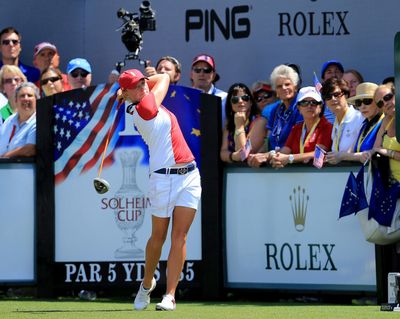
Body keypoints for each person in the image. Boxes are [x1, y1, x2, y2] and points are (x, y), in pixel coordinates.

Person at [117, 69, 201, 311]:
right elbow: (164, 77)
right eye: (136, 84)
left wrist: (129, 90)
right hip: (163, 180)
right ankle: (146, 284)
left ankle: (170, 295)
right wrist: (134, 89)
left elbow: (155, 81)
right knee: (158, 238)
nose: (143, 85)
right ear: (127, 92)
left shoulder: (143, 98)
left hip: (190, 175)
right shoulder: (143, 109)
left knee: (180, 236)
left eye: (143, 81)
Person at [247, 64, 302, 167]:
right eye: (279, 86)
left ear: (295, 87)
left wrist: (267, 155)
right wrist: (258, 155)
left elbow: (295, 143)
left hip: (294, 164)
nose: (284, 88)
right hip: (275, 163)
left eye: (287, 84)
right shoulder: (275, 111)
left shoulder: (301, 108)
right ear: (276, 91)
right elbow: (267, 141)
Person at [270, 86, 332, 168]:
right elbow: (284, 152)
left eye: (314, 102)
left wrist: (290, 158)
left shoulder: (327, 127)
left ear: (320, 107)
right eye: (304, 103)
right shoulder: (296, 128)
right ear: (298, 108)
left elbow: (319, 153)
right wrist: (275, 157)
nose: (309, 106)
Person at [335, 82, 383, 163]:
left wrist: (342, 156)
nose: (362, 106)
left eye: (367, 101)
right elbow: (350, 151)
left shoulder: (383, 122)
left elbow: (372, 154)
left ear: (378, 102)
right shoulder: (364, 124)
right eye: (358, 103)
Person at [320, 78, 364, 164]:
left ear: (346, 95)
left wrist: (342, 156)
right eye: (328, 97)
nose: (333, 99)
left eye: (336, 94)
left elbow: (367, 153)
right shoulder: (336, 124)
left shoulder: (359, 118)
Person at [220, 83, 258, 163]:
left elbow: (244, 154)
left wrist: (239, 126)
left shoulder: (259, 121)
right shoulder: (229, 123)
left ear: (251, 102)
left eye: (245, 98)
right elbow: (223, 153)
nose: (240, 101)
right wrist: (233, 156)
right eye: (235, 99)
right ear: (230, 104)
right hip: (233, 173)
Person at [0, 82, 38, 157]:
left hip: (24, 168)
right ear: (16, 101)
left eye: (29, 95)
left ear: (36, 100)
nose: (26, 98)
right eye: (22, 96)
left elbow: (30, 150)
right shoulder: (9, 120)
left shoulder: (39, 121)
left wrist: (3, 158)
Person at [190, 53, 227, 127]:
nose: (201, 74)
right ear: (191, 74)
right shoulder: (184, 97)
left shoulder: (225, 98)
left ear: (213, 75)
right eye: (197, 70)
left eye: (207, 70)